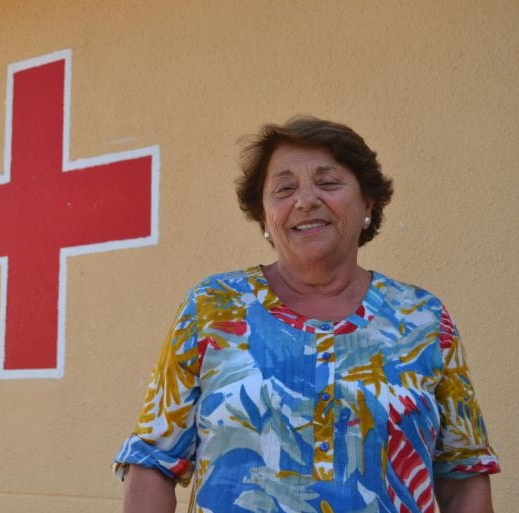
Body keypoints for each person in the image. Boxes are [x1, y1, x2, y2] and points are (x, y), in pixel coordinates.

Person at [113, 116, 500, 513]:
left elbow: (463, 475)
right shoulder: (213, 306)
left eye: (328, 183)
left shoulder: (423, 319)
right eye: (284, 188)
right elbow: (153, 462)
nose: (305, 200)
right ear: (264, 216)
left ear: (368, 202)